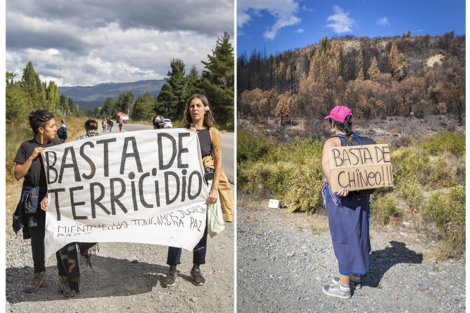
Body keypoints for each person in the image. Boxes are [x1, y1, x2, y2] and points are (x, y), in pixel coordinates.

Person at [164, 94, 222, 287]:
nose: (194, 109)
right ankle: (172, 268)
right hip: (183, 187)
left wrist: (214, 189)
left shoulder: (212, 132)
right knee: (177, 225)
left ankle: (196, 268)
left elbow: (219, 162)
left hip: (204, 187)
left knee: (200, 227)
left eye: (198, 105)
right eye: (191, 106)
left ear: (205, 109)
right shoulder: (181, 131)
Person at [12, 110, 68, 295]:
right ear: (41, 129)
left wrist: (49, 195)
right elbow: (18, 174)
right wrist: (32, 157)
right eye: (52, 126)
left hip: (54, 197)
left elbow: (65, 175)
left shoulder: (59, 144)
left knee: (60, 238)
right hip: (32, 198)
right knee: (37, 240)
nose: (56, 129)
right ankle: (39, 276)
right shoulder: (26, 146)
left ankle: (64, 278)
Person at [320, 106, 370, 299]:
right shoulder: (358, 140)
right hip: (360, 195)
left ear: (333, 123)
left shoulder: (331, 142)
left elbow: (326, 165)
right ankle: (355, 278)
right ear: (350, 122)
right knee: (358, 233)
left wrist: (335, 185)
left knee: (343, 237)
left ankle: (343, 288)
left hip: (341, 197)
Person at [55, 119, 100, 296]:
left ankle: (81, 244)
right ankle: (85, 243)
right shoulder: (107, 140)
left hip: (82, 189)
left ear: (86, 128)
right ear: (95, 128)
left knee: (78, 222)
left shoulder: (78, 141)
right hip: (98, 190)